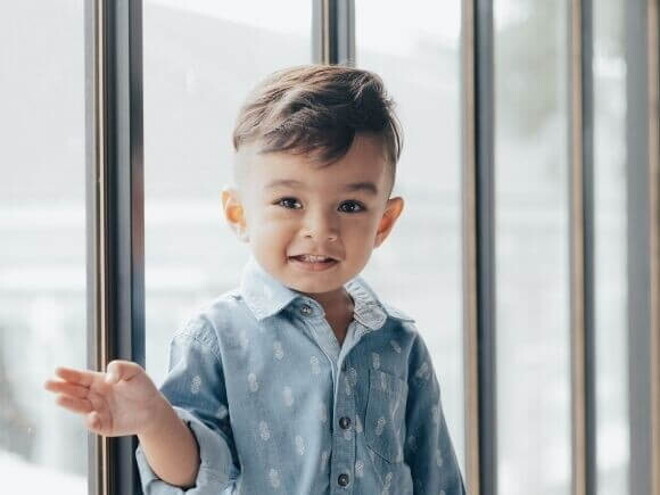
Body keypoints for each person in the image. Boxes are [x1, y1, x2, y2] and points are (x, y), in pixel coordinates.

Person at [44, 64, 466, 494]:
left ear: (384, 222)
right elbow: (194, 476)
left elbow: (437, 474)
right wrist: (154, 420)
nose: (319, 229)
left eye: (351, 206)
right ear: (239, 214)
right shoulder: (213, 337)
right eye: (289, 201)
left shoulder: (399, 341)